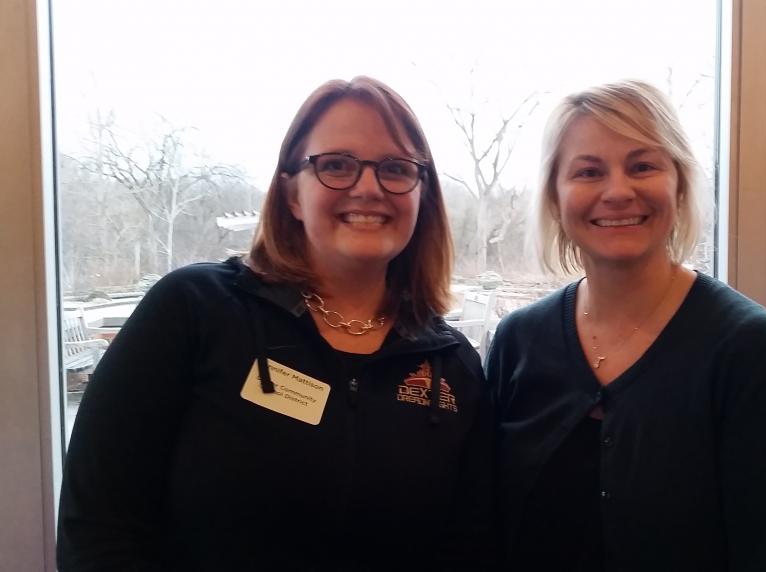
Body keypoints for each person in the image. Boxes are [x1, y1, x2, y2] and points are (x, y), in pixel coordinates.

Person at [57, 77, 495, 571]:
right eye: (336, 165)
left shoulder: (451, 364)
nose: (368, 187)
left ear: (421, 196)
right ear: (291, 195)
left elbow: (469, 546)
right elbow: (99, 525)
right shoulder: (194, 311)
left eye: (396, 168)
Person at [485, 80, 766, 571]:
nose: (618, 191)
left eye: (643, 165)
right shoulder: (519, 341)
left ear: (680, 183)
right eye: (588, 171)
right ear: (555, 198)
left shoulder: (752, 351)